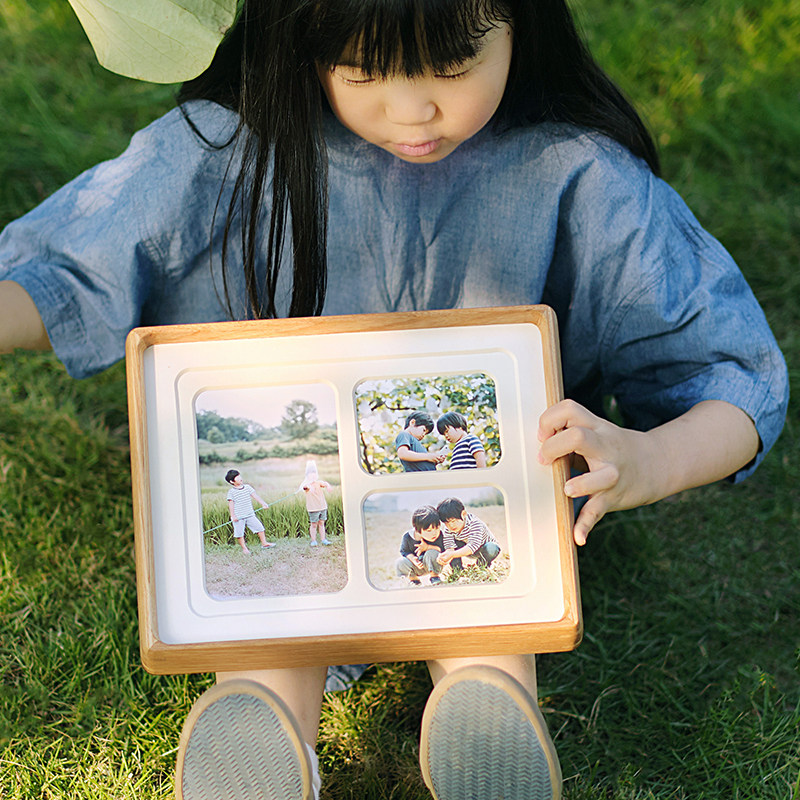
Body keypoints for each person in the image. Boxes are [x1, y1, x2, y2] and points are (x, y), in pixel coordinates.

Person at [0, 0, 788, 798]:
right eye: (364, 70)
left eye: (451, 66)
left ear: (523, 23)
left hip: (493, 517)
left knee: (484, 614)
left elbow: (733, 379)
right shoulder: (226, 150)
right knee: (271, 625)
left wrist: (647, 458)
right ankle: (265, 729)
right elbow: (68, 270)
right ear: (301, 39)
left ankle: (487, 708)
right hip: (332, 542)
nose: (413, 110)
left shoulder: (579, 176)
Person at [435, 496, 500, 573]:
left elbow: (472, 546)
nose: (451, 525)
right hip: (465, 548)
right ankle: (458, 570)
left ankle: (482, 567)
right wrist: (444, 557)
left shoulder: (474, 523)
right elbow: (450, 548)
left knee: (491, 547)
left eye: (453, 521)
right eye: (447, 522)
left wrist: (452, 554)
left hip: (483, 548)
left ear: (463, 514)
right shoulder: (448, 529)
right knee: (448, 544)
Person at [224, 468, 274, 554]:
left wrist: (263, 503)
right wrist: (233, 516)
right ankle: (244, 549)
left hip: (250, 514)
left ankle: (264, 543)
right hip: (238, 517)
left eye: (239, 476)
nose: (240, 478)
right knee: (239, 534)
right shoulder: (231, 492)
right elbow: (231, 504)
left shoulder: (247, 487)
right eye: (237, 477)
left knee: (260, 528)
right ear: (232, 481)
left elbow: (255, 496)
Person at [395, 505, 447, 586]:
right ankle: (414, 580)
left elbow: (443, 550)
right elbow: (404, 551)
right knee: (400, 562)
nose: (434, 533)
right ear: (417, 530)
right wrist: (413, 559)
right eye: (429, 530)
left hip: (434, 565)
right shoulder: (408, 537)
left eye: (437, 528)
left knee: (432, 552)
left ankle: (434, 577)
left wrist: (428, 547)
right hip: (417, 566)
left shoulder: (439, 535)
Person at [300, 460, 332, 546]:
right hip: (313, 508)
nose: (313, 475)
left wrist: (328, 486)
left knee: (321, 523)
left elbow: (325, 483)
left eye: (314, 473)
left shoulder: (318, 483)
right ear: (307, 475)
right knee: (314, 524)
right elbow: (305, 487)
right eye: (311, 473)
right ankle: (313, 540)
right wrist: (309, 487)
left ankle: (323, 539)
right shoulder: (307, 484)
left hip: (322, 507)